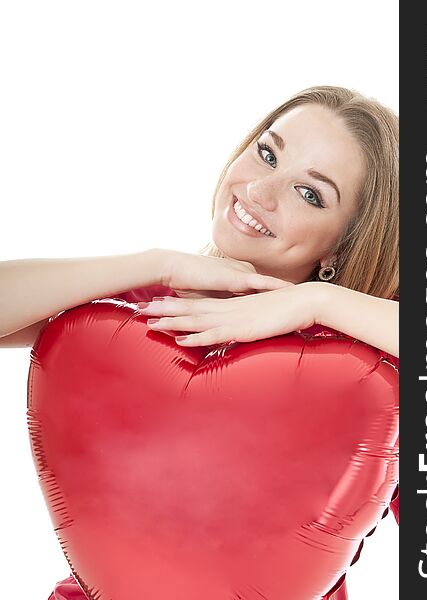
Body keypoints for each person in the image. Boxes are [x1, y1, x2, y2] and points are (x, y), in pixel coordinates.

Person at [0, 85, 399, 599]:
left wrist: (316, 303)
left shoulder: (366, 374)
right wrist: (155, 263)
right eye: (267, 153)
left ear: (344, 242)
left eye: (310, 193)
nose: (259, 191)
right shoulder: (131, 314)